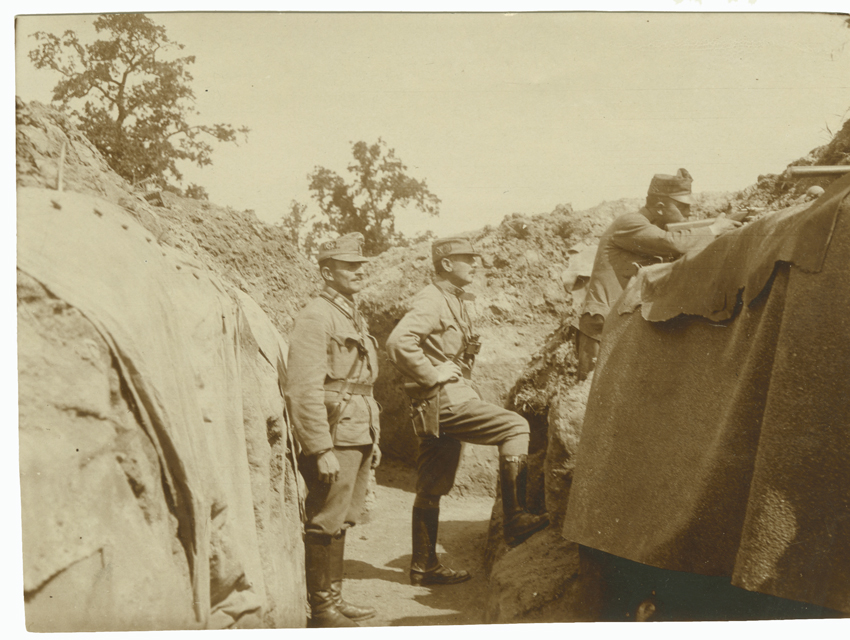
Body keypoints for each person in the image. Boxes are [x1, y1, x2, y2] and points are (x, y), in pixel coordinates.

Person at [386, 236, 549, 587]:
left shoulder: (453, 300)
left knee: (432, 485)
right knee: (515, 427)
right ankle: (515, 518)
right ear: (446, 264)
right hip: (446, 400)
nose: (475, 264)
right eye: (467, 258)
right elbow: (399, 342)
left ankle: (424, 566)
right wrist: (432, 374)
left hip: (436, 405)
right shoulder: (432, 299)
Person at [284, 232, 382, 627]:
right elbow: (302, 388)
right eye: (349, 266)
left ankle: (336, 599)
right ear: (327, 272)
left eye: (361, 265)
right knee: (325, 517)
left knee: (343, 516)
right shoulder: (316, 316)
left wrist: (374, 435)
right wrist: (320, 448)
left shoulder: (349, 314)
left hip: (358, 429)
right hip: (336, 432)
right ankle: (322, 609)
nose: (359, 271)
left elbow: (362, 384)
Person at [576, 168, 739, 378]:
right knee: (594, 387)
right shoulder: (630, 223)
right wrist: (713, 230)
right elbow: (671, 243)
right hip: (602, 324)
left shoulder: (650, 228)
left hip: (619, 322)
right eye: (682, 207)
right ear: (660, 207)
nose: (689, 213)